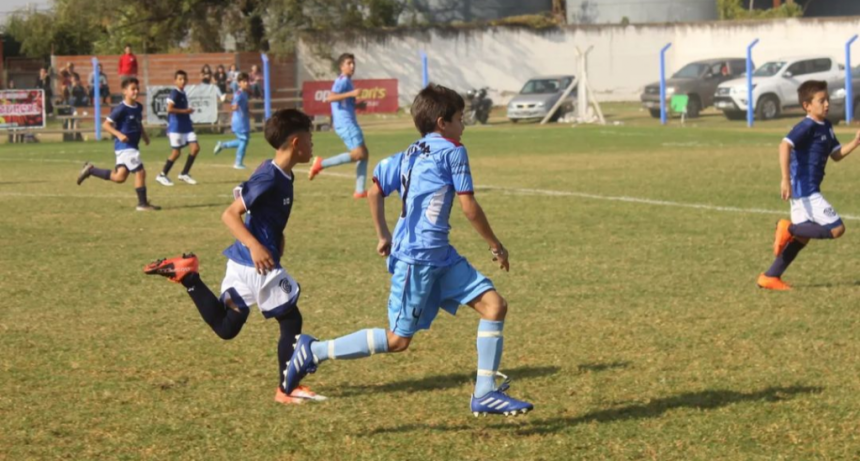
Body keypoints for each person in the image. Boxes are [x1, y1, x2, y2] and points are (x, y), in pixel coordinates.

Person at [283, 84, 534, 417]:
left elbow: (374, 190)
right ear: (443, 123)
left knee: (494, 306)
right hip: (418, 258)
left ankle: (485, 392)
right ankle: (314, 351)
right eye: (461, 118)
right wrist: (496, 246)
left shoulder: (409, 152)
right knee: (398, 340)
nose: (464, 125)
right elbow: (468, 206)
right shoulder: (453, 150)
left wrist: (384, 233)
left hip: (439, 254)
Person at [143, 108, 324, 405]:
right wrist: (256, 245)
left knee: (227, 328)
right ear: (295, 141)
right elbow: (229, 214)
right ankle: (286, 389)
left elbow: (251, 200)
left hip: (244, 260)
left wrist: (275, 238)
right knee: (291, 320)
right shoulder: (270, 177)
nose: (313, 143)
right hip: (255, 263)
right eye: (310, 136)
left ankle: (188, 276)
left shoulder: (278, 173)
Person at [757, 80, 860, 290]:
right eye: (821, 101)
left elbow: (836, 155)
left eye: (827, 100)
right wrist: (785, 178)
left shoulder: (827, 126)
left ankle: (770, 276)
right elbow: (784, 145)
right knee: (837, 228)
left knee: (802, 238)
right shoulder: (806, 126)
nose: (827, 104)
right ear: (807, 106)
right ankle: (788, 228)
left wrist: (856, 142)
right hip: (806, 191)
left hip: (806, 191)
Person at [75, 78, 160, 211]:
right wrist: (119, 135)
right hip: (125, 147)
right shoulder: (121, 108)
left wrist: (144, 135)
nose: (136, 91)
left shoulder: (138, 107)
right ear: (124, 91)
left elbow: (138, 123)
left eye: (137, 88)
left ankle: (91, 170)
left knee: (120, 177)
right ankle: (142, 204)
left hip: (130, 147)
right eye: (133, 89)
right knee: (140, 172)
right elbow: (106, 125)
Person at [306, 53, 369, 199]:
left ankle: (359, 191)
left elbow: (344, 103)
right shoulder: (342, 80)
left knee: (364, 154)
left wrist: (358, 104)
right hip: (345, 123)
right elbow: (330, 98)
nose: (352, 66)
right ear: (341, 66)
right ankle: (321, 163)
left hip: (349, 122)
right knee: (359, 154)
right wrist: (352, 93)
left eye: (353, 63)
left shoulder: (347, 81)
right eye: (349, 63)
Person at [156, 70, 200, 186]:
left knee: (195, 148)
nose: (183, 81)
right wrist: (186, 111)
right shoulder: (174, 93)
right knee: (176, 153)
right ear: (175, 81)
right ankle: (162, 175)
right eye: (180, 79)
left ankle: (184, 173)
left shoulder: (183, 93)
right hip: (176, 127)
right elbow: (169, 109)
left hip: (187, 127)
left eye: (184, 79)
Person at [214, 72, 251, 169]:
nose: (246, 83)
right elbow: (234, 106)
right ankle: (238, 163)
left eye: (247, 81)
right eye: (244, 81)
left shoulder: (244, 93)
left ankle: (223, 145)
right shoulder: (238, 94)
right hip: (239, 121)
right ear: (239, 83)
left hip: (244, 121)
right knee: (243, 141)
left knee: (243, 141)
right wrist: (233, 105)